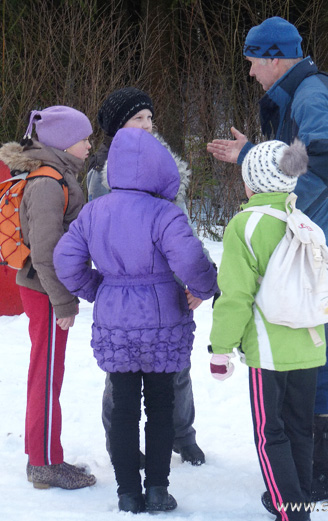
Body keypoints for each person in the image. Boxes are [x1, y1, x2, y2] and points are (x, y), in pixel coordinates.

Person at [207, 16, 328, 503]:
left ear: (275, 56)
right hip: (316, 243)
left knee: (325, 350)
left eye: (253, 61)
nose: (251, 72)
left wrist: (288, 204)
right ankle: (320, 468)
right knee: (318, 350)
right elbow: (305, 156)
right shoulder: (302, 91)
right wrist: (255, 154)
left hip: (321, 247)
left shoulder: (310, 94)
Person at [53, 127, 218, 513]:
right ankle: (158, 490)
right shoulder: (165, 213)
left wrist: (97, 287)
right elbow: (191, 259)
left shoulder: (95, 211)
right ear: (160, 168)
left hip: (116, 323)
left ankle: (128, 493)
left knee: (124, 407)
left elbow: (65, 260)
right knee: (161, 406)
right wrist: (203, 287)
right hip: (164, 319)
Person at [87, 87, 213, 466]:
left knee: (176, 367)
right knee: (121, 374)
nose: (147, 124)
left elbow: (183, 230)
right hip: (126, 289)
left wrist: (195, 278)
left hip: (170, 283)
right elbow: (98, 233)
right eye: (137, 118)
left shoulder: (165, 163)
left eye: (149, 117)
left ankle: (181, 435)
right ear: (117, 127)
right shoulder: (102, 174)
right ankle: (120, 443)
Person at [209, 139, 326, 521]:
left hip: (269, 350)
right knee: (298, 429)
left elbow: (235, 295)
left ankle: (290, 512)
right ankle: (297, 503)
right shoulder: (304, 221)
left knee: (269, 433)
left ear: (251, 183)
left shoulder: (245, 225)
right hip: (309, 344)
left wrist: (220, 348)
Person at [0, 106, 96, 490]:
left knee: (47, 373)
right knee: (46, 375)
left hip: (46, 289)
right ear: (62, 142)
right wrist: (64, 302)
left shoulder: (58, 176)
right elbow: (44, 252)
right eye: (84, 138)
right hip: (44, 290)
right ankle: (42, 463)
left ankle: (46, 455)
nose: (90, 145)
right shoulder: (46, 183)